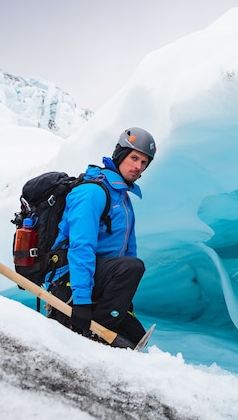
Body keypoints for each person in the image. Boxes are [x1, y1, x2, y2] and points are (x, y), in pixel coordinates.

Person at [47, 127, 156, 348]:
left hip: (99, 280)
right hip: (69, 280)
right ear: (120, 155)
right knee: (133, 267)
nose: (138, 167)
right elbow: (81, 248)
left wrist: (122, 300)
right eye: (134, 158)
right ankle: (88, 331)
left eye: (144, 163)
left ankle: (99, 325)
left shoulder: (123, 198)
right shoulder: (92, 193)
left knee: (135, 339)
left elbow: (127, 250)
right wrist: (82, 302)